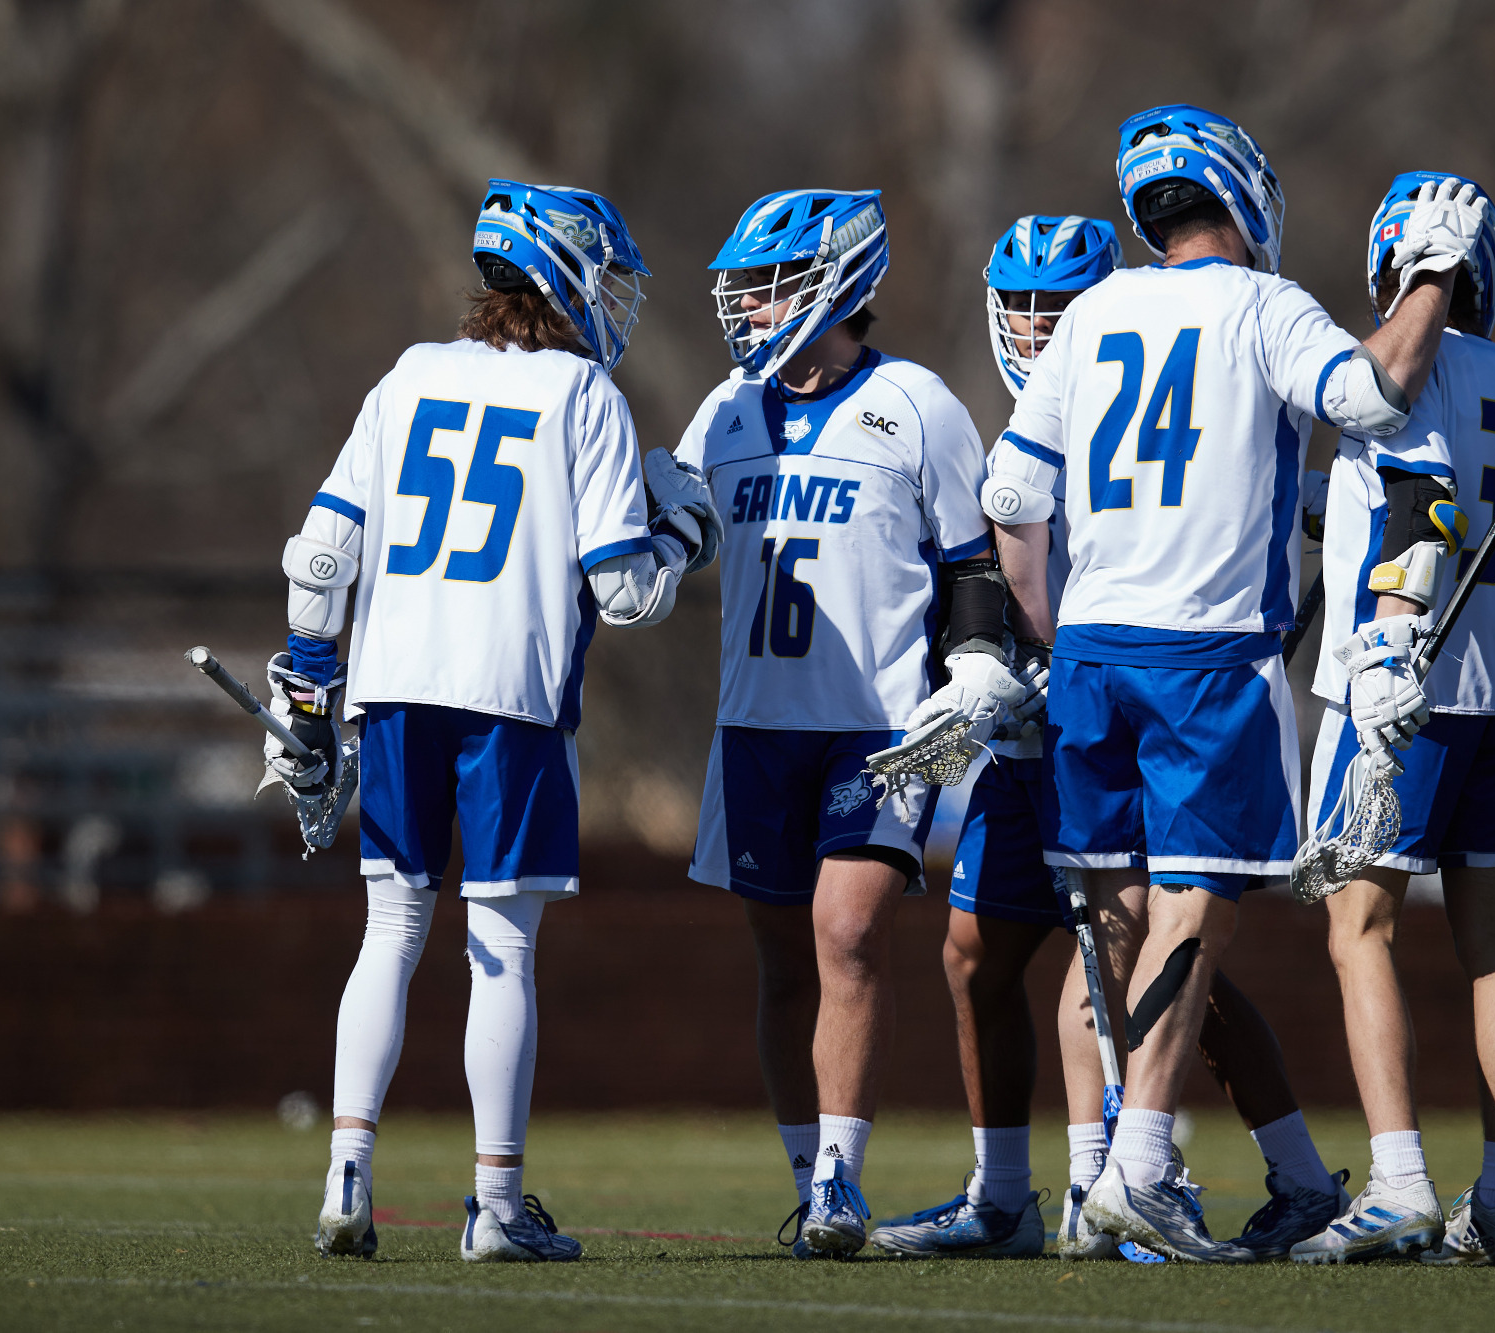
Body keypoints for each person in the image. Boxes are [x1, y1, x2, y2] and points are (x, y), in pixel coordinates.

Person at [999, 105, 1462, 1263]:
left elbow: (1013, 500)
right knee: (1190, 911)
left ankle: (1099, 1174)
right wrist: (1430, 276)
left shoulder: (1094, 309)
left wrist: (1055, 632)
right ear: (1237, 194)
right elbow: (1375, 394)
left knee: (1108, 925)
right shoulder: (1262, 302)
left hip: (1092, 649)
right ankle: (1138, 1168)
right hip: (1207, 652)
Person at [870, 215, 1348, 1262]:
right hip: (1031, 719)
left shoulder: (1152, 373)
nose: (1038, 326)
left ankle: (1144, 1176)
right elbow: (972, 559)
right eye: (1021, 305)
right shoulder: (1017, 412)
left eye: (1056, 304)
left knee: (1144, 952)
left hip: (1105, 698)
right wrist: (983, 663)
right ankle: (1008, 1192)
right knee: (975, 952)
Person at [289, 182, 716, 1263]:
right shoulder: (581, 394)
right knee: (502, 947)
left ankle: (347, 1173)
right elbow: (622, 592)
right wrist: (681, 533)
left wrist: (306, 689)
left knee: (389, 931)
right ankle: (495, 1205)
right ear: (564, 274)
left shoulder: (408, 373)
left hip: (391, 685)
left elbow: (321, 558)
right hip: (509, 695)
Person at [676, 188, 1007, 1259]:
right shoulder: (723, 413)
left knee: (850, 932)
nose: (749, 308)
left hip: (880, 727)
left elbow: (970, 561)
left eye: (769, 286)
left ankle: (840, 1177)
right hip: (754, 726)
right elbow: (664, 546)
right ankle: (804, 1180)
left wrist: (973, 662)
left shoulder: (916, 404)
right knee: (781, 960)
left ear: (837, 285)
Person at [1289, 173, 1495, 1267]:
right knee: (1488, 946)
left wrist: (1390, 637)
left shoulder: (1412, 366)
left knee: (1359, 929)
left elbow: (1419, 501)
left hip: (1409, 685)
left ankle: (1397, 1181)